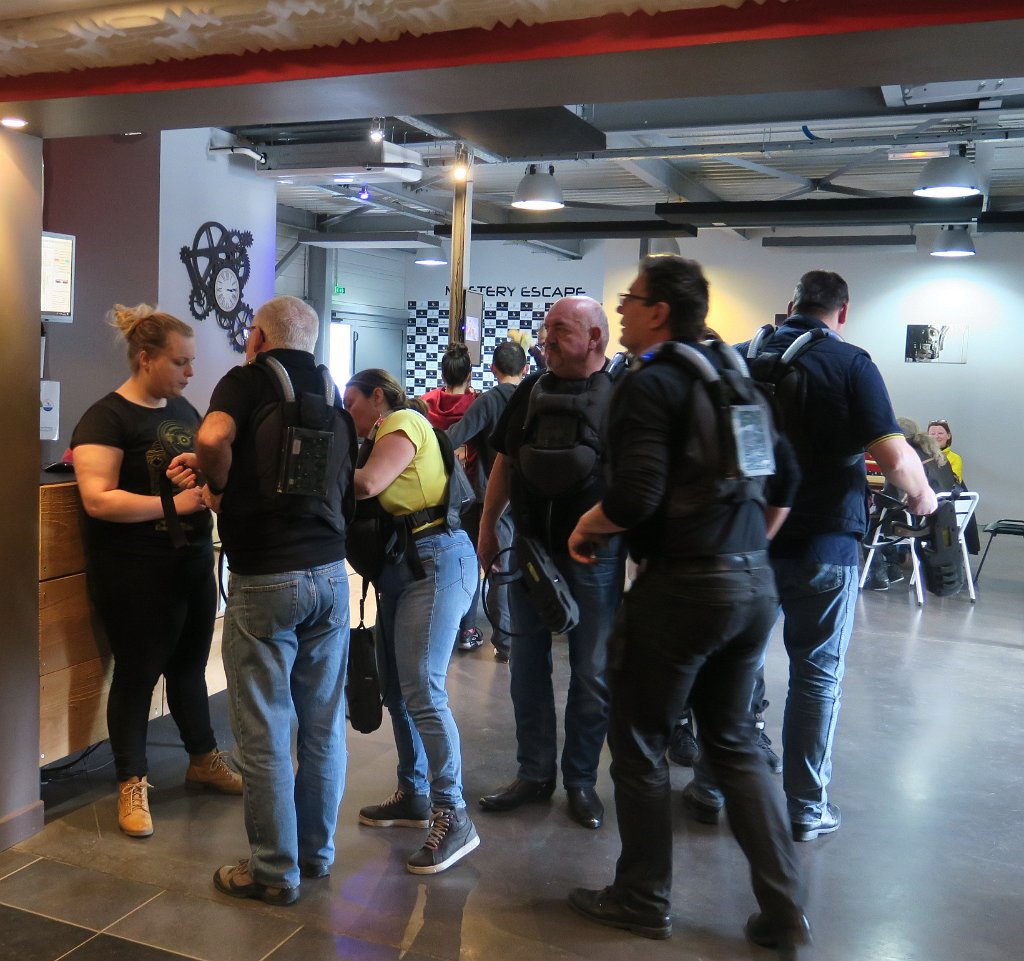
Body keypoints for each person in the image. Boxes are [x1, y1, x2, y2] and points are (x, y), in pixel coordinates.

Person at [565, 255, 809, 952]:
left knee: (640, 739)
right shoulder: (736, 377)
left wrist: (587, 525)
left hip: (680, 591)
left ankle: (643, 897)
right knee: (734, 741)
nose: (620, 308)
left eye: (630, 298)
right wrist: (742, 551)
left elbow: (637, 495)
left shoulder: (652, 384)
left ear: (660, 311)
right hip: (750, 586)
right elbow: (786, 479)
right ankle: (785, 911)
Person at [722, 271, 937, 841]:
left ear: (791, 303)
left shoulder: (742, 356)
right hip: (825, 543)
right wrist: (925, 498)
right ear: (843, 312)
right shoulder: (850, 363)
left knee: (734, 667)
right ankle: (805, 809)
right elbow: (894, 458)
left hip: (746, 541)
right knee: (816, 678)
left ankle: (713, 789)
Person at [186, 295, 355, 905]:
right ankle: (316, 855)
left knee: (263, 729)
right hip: (331, 575)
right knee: (322, 727)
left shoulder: (247, 380)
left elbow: (212, 436)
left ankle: (273, 871)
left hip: (265, 578)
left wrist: (218, 486)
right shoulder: (333, 392)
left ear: (257, 337)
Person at [71, 303, 242, 840]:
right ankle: (131, 781)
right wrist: (176, 504)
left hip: (189, 561)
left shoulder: (184, 409)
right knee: (138, 673)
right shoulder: (106, 418)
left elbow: (200, 476)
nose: (190, 372)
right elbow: (98, 499)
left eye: (191, 361)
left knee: (189, 667)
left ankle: (202, 758)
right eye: (180, 361)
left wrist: (201, 487)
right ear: (146, 358)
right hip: (133, 570)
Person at [477, 297, 625, 831]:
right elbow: (505, 460)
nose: (546, 339)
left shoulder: (622, 397)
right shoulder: (530, 391)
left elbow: (637, 481)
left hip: (596, 559)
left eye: (560, 330)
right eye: (545, 330)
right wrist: (489, 525)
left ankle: (580, 780)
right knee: (525, 666)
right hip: (531, 554)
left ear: (595, 338)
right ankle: (534, 773)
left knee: (591, 671)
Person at [344, 368, 480, 875]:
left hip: (437, 559)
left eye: (352, 403)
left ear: (378, 397)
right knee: (398, 691)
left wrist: (315, 467)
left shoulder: (402, 421)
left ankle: (453, 814)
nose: (349, 414)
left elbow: (368, 485)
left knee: (423, 689)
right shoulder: (377, 436)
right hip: (405, 566)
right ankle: (413, 792)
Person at [445, 340, 529, 661]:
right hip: (527, 498)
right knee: (520, 568)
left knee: (495, 569)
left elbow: (455, 436)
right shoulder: (534, 397)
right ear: (525, 369)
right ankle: (521, 636)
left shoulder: (488, 401)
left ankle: (503, 643)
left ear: (493, 369)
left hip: (489, 500)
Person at [420, 343, 484, 651]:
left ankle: (435, 623)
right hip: (469, 495)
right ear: (469, 374)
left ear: (442, 373)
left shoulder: (425, 404)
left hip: (434, 494)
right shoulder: (479, 404)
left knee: (436, 559)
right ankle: (467, 629)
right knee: (470, 561)